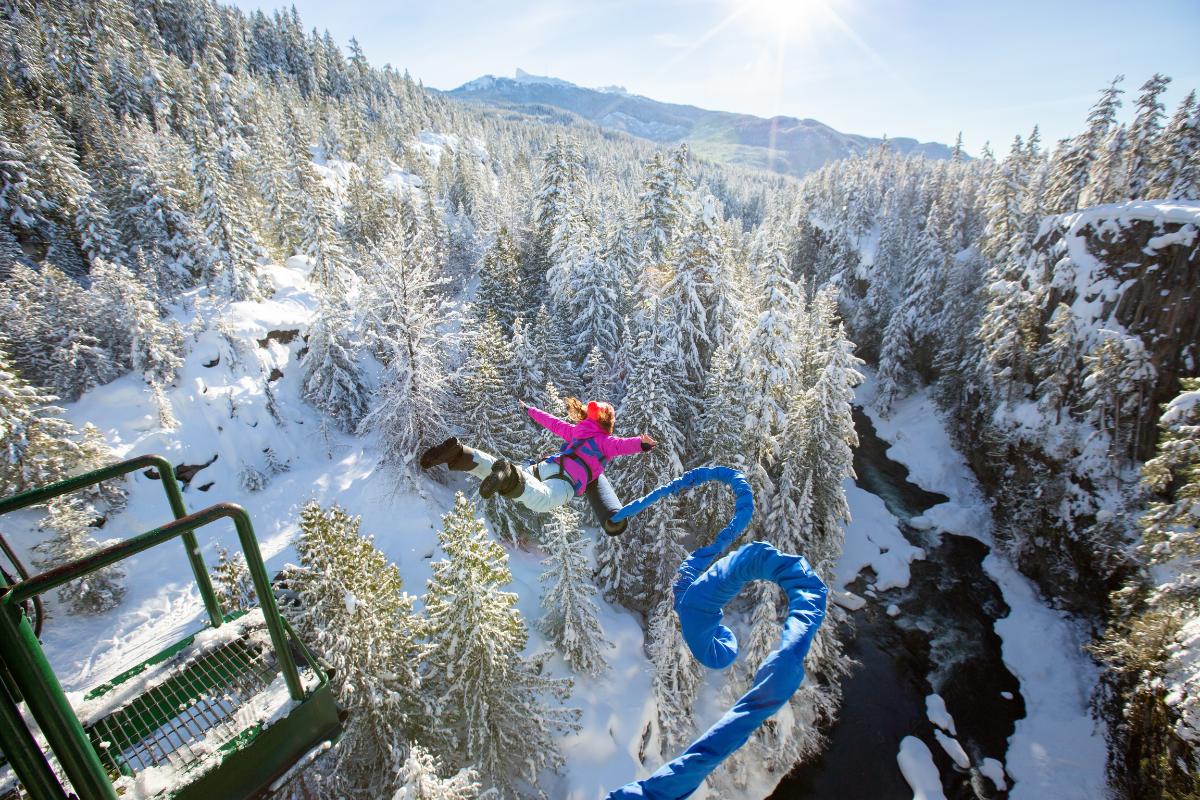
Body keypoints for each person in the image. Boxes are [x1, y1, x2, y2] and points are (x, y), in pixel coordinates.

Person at [419, 398, 656, 533]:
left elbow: (551, 422)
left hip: (547, 466)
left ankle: (460, 454)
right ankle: (507, 474)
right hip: (565, 479)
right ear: (608, 422)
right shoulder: (605, 441)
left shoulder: (576, 431)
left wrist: (529, 409)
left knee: (501, 470)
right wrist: (643, 444)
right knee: (544, 501)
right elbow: (622, 445)